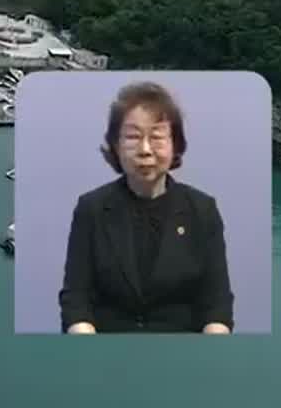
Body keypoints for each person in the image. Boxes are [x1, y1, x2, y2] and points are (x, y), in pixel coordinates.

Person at [59, 81, 234, 334]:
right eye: (132, 137)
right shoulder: (92, 208)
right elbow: (77, 299)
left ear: (175, 145)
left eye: (157, 137)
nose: (145, 150)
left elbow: (216, 304)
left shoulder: (202, 210)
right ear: (116, 146)